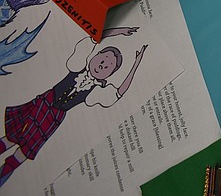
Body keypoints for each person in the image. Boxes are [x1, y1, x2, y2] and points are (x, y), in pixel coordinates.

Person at [0, 27, 147, 187]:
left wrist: (135, 65)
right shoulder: (78, 64)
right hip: (44, 102)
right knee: (12, 136)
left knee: (25, 150)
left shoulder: (95, 92)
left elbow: (118, 93)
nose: (102, 66)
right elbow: (94, 37)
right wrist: (119, 31)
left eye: (108, 67)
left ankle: (3, 175)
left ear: (110, 74)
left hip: (54, 117)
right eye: (102, 60)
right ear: (95, 56)